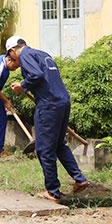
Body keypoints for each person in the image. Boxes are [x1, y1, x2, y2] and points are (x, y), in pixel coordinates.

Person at [7, 36, 90, 201]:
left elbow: (36, 75)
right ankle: (79, 179)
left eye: (11, 56)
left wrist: (22, 86)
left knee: (44, 149)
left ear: (12, 50)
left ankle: (52, 192)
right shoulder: (42, 54)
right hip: (63, 102)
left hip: (49, 105)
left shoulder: (24, 56)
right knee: (59, 144)